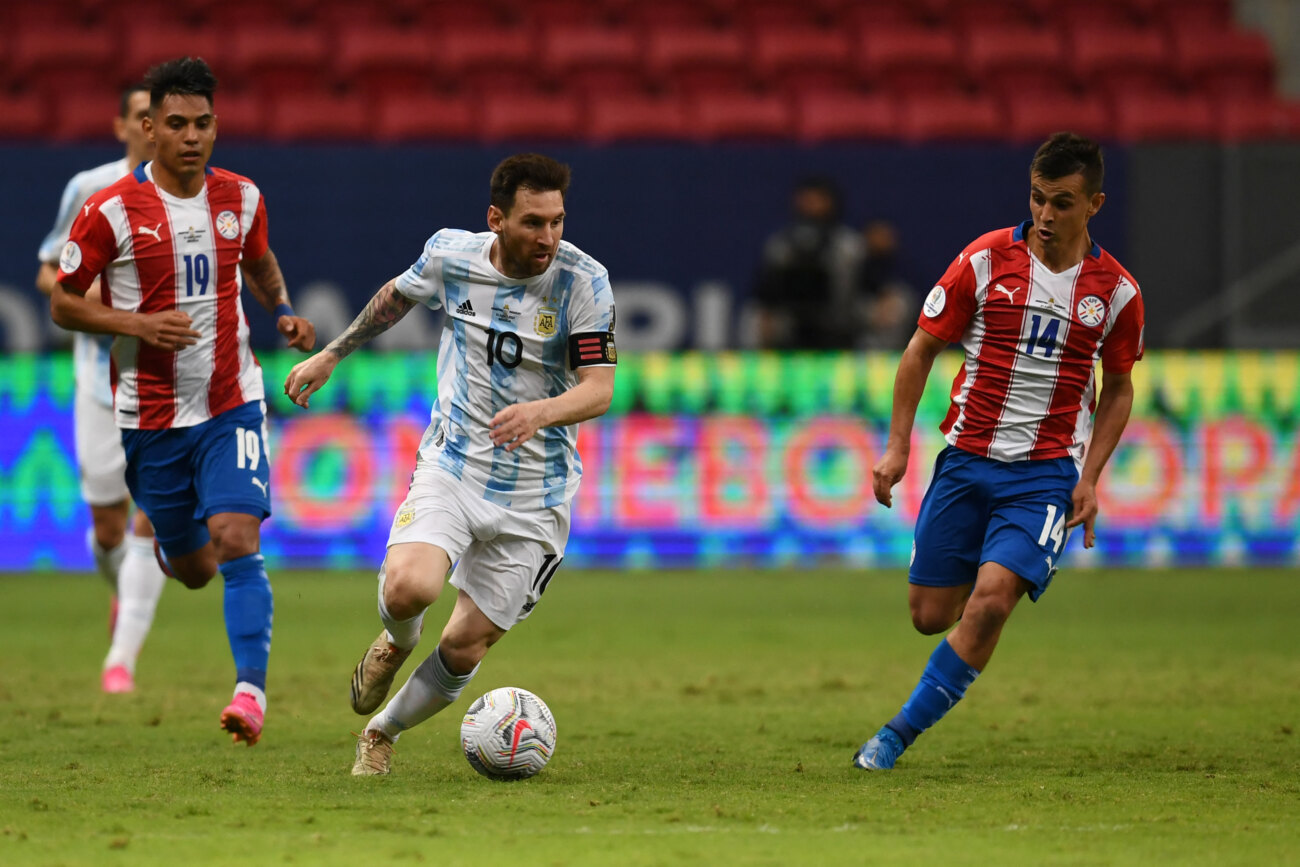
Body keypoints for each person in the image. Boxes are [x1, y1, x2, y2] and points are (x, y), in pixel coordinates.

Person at [282, 153, 617, 777]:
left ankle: (382, 733)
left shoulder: (584, 282)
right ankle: (396, 641)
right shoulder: (451, 256)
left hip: (537, 496)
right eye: (532, 223)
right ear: (496, 219)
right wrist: (332, 354)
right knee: (410, 589)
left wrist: (540, 413)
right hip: (455, 463)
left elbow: (599, 389)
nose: (548, 237)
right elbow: (395, 298)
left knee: (465, 645)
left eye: (557, 222)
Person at [854, 132, 1144, 770]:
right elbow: (920, 348)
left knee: (989, 603)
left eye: (1063, 203)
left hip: (1044, 477)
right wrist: (898, 446)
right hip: (965, 461)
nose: (1045, 215)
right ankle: (982, 596)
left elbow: (1120, 388)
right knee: (930, 615)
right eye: (1038, 199)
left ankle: (893, 737)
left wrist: (1090, 478)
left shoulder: (1116, 294)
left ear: (1095, 203)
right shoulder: (986, 260)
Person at [49, 57, 316, 746]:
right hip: (150, 416)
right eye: (176, 124)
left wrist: (281, 309)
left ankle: (250, 693)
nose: (191, 136)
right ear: (148, 128)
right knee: (196, 568)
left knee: (237, 537)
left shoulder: (242, 197)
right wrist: (137, 325)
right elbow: (62, 304)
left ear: (215, 125)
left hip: (231, 398)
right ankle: (169, 551)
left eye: (202, 123)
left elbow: (257, 259)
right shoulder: (108, 210)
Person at [35, 84, 167, 695]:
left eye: (159, 116)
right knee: (109, 528)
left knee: (152, 519)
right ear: (121, 125)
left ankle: (121, 659)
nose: (150, 126)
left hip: (167, 382)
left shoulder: (193, 197)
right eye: (140, 116)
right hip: (97, 379)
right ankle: (123, 591)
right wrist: (102, 304)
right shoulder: (89, 189)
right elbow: (48, 271)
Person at [753, 176, 864, 349]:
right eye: (806, 200)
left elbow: (863, 291)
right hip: (789, 330)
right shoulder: (780, 246)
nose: (811, 206)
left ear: (830, 202)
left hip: (839, 330)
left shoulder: (849, 246)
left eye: (817, 200)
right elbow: (765, 294)